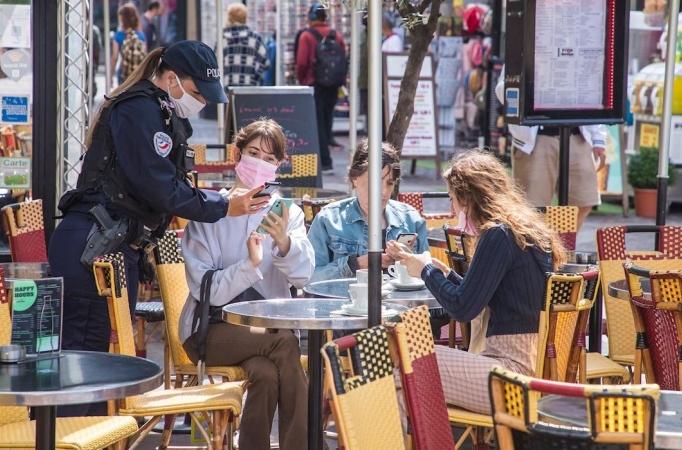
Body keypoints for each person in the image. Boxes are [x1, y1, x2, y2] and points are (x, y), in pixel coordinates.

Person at [50, 40, 268, 416]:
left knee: (95, 363)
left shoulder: (159, 110)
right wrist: (224, 206)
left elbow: (165, 184)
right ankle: (71, 437)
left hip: (110, 246)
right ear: (171, 79)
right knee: (82, 367)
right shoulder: (140, 109)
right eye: (197, 92)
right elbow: (158, 184)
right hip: (93, 246)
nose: (200, 103)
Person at [387, 150, 567, 415]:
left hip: (511, 375)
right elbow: (496, 295)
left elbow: (463, 308)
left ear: (468, 196)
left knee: (405, 361)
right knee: (408, 378)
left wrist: (426, 271)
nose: (452, 210)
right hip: (537, 369)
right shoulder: (523, 231)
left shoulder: (498, 235)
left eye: (453, 199)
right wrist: (447, 275)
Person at [180, 119, 313, 450]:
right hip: (210, 329)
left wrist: (284, 244)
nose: (259, 163)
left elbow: (304, 276)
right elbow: (204, 289)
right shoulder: (210, 211)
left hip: (264, 334)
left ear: (279, 165)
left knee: (266, 375)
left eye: (269, 158)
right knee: (285, 343)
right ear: (237, 155)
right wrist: (248, 266)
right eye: (253, 153)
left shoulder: (287, 213)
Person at [495, 66, 607, 230]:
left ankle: (562, 246)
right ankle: (540, 249)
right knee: (532, 206)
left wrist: (598, 138)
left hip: (577, 134)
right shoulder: (526, 43)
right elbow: (502, 90)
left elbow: (591, 91)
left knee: (584, 201)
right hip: (537, 137)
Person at [307, 140, 428, 283]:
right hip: (346, 303)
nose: (383, 192)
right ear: (355, 178)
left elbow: (428, 277)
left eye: (390, 183)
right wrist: (356, 264)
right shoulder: (329, 219)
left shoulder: (411, 219)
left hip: (400, 304)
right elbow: (310, 278)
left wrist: (408, 262)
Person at [295, 2, 346, 174]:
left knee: (317, 123)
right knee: (327, 120)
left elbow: (302, 63)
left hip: (313, 84)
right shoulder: (336, 35)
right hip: (332, 85)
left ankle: (324, 161)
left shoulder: (306, 36)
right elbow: (343, 59)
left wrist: (303, 81)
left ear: (310, 17)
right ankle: (325, 159)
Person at [222, 3, 268, 87]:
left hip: (225, 94)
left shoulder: (221, 39)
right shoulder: (255, 39)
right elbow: (265, 63)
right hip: (250, 94)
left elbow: (213, 67)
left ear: (228, 17)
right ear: (245, 17)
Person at [111, 3, 146, 86]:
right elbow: (146, 57)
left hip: (124, 74)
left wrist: (111, 76)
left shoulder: (118, 35)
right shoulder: (141, 35)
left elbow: (115, 58)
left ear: (122, 18)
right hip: (138, 75)